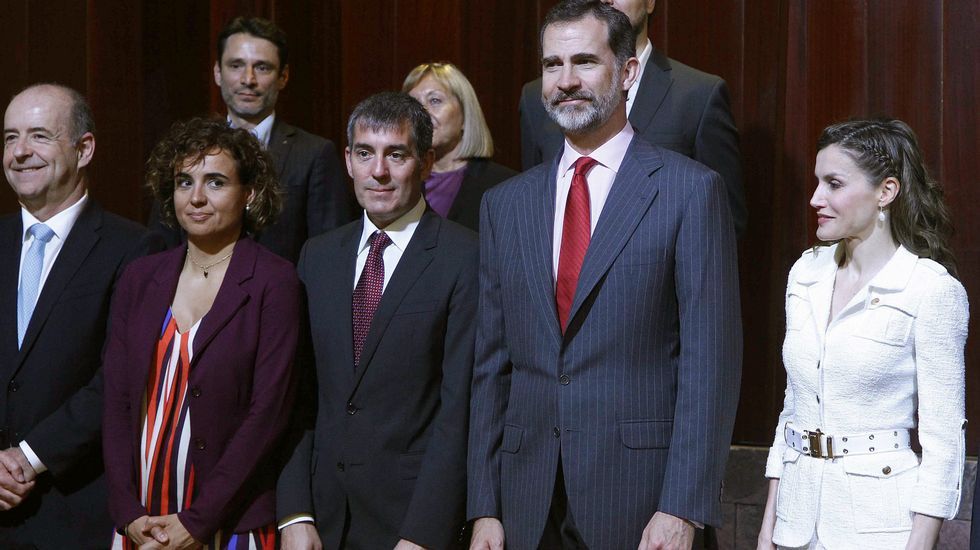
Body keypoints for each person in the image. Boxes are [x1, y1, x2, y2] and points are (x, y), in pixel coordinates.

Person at [467, 2, 741, 549]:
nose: (565, 81)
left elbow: (710, 363)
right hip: (524, 503)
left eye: (586, 62)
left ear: (628, 72)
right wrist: (484, 506)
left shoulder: (689, 191)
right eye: (552, 65)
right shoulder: (506, 204)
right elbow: (491, 366)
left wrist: (682, 505)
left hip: (641, 502)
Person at [276, 92, 477, 549]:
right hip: (320, 522)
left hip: (409, 525)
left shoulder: (465, 257)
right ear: (347, 161)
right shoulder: (318, 255)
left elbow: (458, 412)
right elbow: (297, 397)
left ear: (426, 163)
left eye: (396, 155)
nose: (379, 171)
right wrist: (294, 512)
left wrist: (425, 532)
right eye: (365, 154)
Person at [757, 119, 968, 550]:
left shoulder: (929, 289)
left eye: (834, 183)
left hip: (878, 529)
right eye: (817, 182)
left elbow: (944, 441)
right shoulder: (805, 273)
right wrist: (768, 530)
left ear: (885, 192)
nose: (816, 198)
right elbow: (793, 411)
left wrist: (919, 545)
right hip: (795, 524)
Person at [102, 117, 302, 548]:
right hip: (142, 522)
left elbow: (268, 415)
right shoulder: (140, 276)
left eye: (215, 182)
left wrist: (198, 521)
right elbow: (116, 400)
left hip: (231, 521)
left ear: (249, 193)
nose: (195, 198)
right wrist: (127, 512)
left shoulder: (275, 281)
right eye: (183, 181)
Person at [0, 83, 157, 548]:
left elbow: (121, 377)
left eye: (39, 136)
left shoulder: (135, 248)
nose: (20, 152)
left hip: (72, 509)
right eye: (10, 137)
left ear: (84, 149)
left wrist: (28, 457)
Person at [519, 0, 746, 237]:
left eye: (585, 62)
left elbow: (724, 220)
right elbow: (533, 205)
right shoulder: (538, 97)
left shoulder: (698, 95)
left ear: (650, 3)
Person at [150, 16, 356, 263]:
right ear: (217, 72)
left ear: (283, 76)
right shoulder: (184, 149)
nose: (248, 79)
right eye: (236, 65)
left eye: (262, 67)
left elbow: (331, 254)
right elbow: (160, 246)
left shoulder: (314, 153)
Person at [403, 62, 516, 231]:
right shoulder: (398, 179)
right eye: (413, 104)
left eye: (435, 100)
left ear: (465, 114)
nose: (422, 112)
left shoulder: (505, 186)